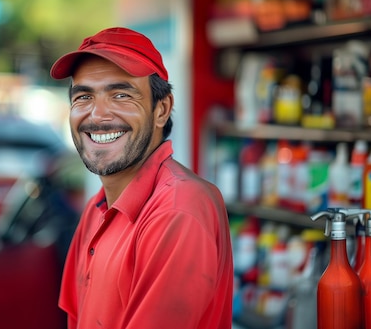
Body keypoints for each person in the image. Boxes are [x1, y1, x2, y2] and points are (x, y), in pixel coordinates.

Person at [50, 26, 234, 329]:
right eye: (83, 97)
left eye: (121, 95)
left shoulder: (178, 208)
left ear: (161, 109)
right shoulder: (98, 209)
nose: (97, 115)